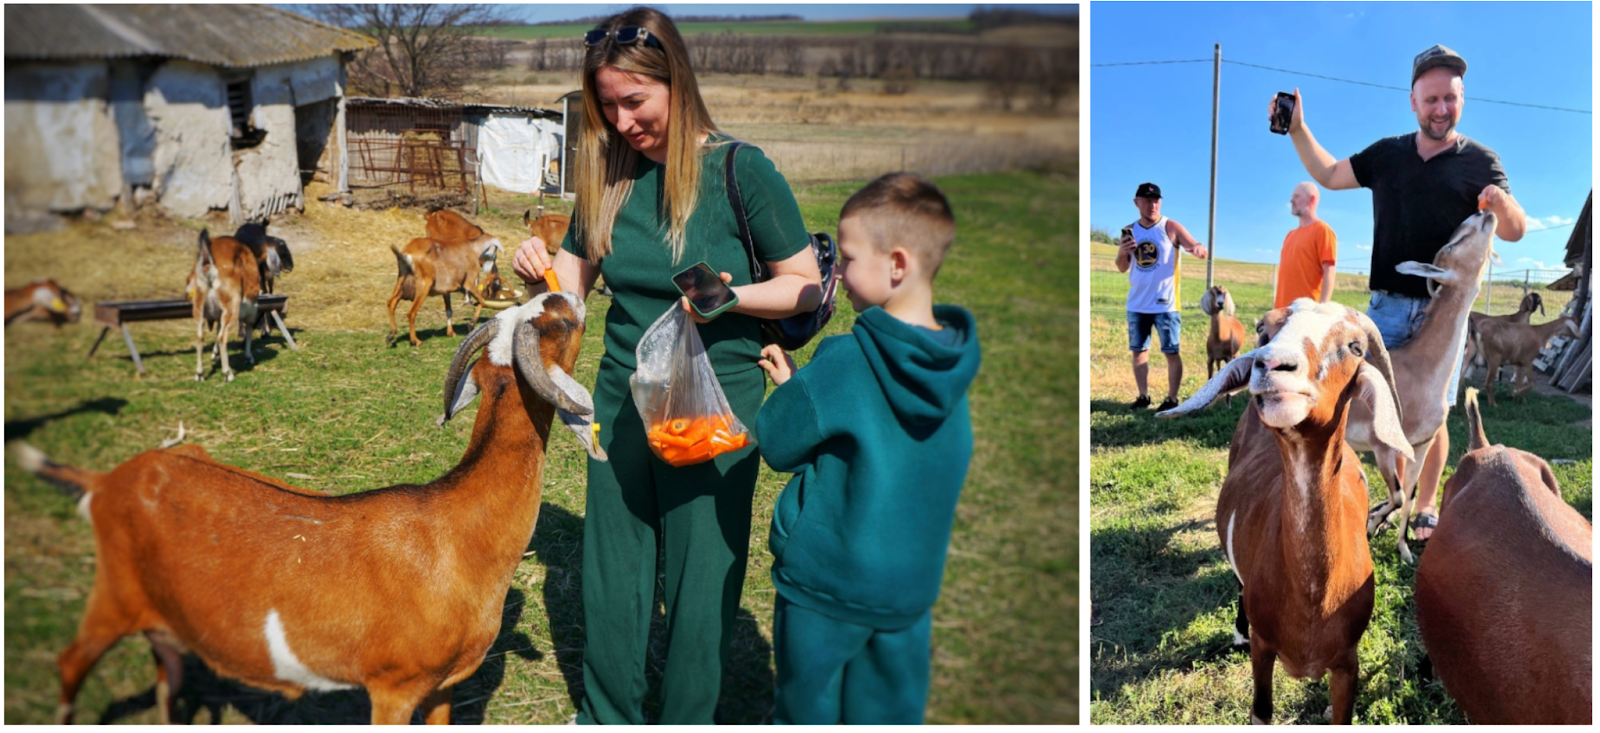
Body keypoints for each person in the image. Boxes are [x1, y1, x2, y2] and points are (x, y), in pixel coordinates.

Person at [509, 8, 823, 724]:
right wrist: (539, 278)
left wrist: (731, 296)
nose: (621, 122)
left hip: (713, 401)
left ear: (675, 81)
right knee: (611, 571)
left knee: (699, 578)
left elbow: (803, 281)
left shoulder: (742, 171)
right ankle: (608, 714)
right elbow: (571, 294)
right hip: (619, 400)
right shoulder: (608, 177)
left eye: (634, 101)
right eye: (607, 106)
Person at [753, 172, 981, 724]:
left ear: (896, 265)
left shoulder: (846, 360)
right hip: (907, 595)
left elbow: (778, 442)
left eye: (848, 258)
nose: (838, 274)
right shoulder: (953, 369)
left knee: (808, 711)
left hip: (826, 588)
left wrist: (794, 392)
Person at [1278, 44, 1527, 540]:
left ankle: (1422, 504)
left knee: (1433, 416)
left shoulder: (1481, 160)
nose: (1441, 109)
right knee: (1357, 406)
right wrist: (1298, 129)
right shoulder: (1387, 154)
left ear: (1461, 99)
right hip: (1386, 313)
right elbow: (1328, 173)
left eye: (1450, 99)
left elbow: (1516, 229)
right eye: (1431, 99)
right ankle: (1347, 492)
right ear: (1412, 100)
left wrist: (1501, 203)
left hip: (1445, 314)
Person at [1116, 182, 1209, 412]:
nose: (1152, 205)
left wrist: (1198, 248)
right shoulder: (1129, 230)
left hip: (1166, 304)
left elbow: (1196, 246)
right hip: (1137, 304)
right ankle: (1143, 396)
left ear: (1161, 202)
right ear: (1136, 202)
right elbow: (1121, 267)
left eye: (1156, 200)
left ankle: (1172, 399)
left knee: (1171, 352)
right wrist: (1122, 251)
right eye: (1147, 201)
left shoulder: (1171, 227)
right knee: (1139, 352)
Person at [1273, 181, 1339, 308]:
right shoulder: (1289, 235)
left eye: (1297, 196)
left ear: (1311, 199)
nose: (1292, 200)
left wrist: (1322, 309)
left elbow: (1329, 270)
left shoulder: (1323, 230)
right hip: (1282, 312)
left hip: (1305, 313)